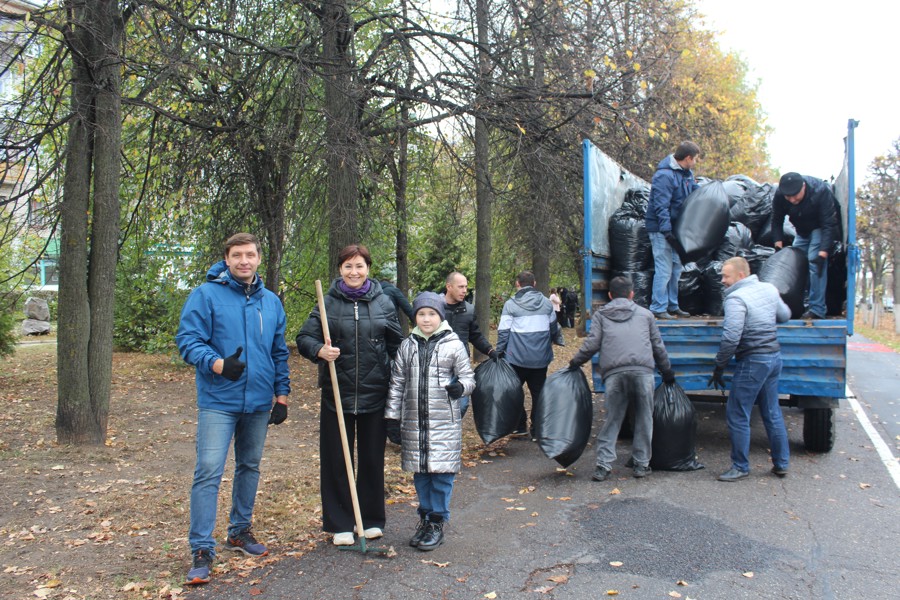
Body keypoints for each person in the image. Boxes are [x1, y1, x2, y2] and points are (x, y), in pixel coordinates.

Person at [176, 233, 291, 586]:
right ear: (226, 259)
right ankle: (201, 549)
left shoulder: (271, 302)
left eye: (250, 255)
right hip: (219, 402)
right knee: (209, 471)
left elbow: (278, 351)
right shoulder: (206, 295)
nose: (244, 261)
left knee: (249, 466)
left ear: (259, 258)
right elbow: (187, 340)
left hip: (258, 402)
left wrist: (282, 395)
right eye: (237, 255)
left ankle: (239, 531)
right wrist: (216, 364)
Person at [296, 244, 403, 545]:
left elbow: (397, 347)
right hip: (337, 394)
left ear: (368, 268)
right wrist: (319, 349)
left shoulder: (384, 303)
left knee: (371, 458)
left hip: (375, 393)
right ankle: (341, 522)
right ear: (340, 270)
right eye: (348, 267)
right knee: (337, 459)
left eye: (359, 266)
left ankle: (368, 519)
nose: (354, 272)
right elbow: (304, 337)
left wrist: (398, 381)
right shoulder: (327, 302)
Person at [385, 292, 476, 551]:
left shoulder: (454, 344)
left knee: (442, 475)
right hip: (414, 423)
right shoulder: (407, 345)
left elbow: (469, 378)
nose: (426, 319)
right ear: (415, 317)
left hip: (443, 424)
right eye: (421, 314)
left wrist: (461, 387)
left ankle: (437, 521)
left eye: (431, 314)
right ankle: (425, 519)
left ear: (440, 316)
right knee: (421, 473)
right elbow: (397, 384)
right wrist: (392, 417)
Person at [568, 275, 675, 481]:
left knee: (612, 419)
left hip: (614, 374)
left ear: (609, 295)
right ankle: (641, 464)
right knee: (645, 418)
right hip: (642, 372)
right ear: (632, 294)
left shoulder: (601, 316)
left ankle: (603, 465)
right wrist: (667, 371)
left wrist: (575, 362)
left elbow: (592, 344)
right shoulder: (646, 315)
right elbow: (657, 345)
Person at [708, 257, 791, 482]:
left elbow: (731, 336)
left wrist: (720, 365)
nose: (723, 280)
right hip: (774, 357)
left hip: (753, 360)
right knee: (772, 411)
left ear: (741, 276)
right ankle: (781, 463)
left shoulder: (736, 298)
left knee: (737, 413)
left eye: (726, 276)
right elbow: (784, 316)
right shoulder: (769, 289)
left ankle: (740, 466)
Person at [496, 271, 560, 437]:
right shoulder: (547, 304)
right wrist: (557, 340)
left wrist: (499, 352)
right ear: (534, 283)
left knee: (515, 391)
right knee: (538, 392)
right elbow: (554, 327)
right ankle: (538, 429)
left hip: (517, 357)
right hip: (540, 358)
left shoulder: (511, 305)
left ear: (518, 284)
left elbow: (504, 332)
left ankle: (520, 426)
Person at [771, 172, 840, 319]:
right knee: (797, 263)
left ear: (803, 186)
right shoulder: (780, 195)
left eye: (795, 195)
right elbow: (776, 220)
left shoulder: (820, 191)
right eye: (788, 197)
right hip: (801, 230)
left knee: (815, 262)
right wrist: (778, 244)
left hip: (820, 226)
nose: (792, 200)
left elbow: (829, 224)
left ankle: (817, 309)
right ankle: (798, 304)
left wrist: (823, 252)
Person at [646, 141, 701, 320]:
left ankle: (672, 305)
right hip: (661, 229)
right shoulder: (665, 176)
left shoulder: (686, 174)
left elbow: (694, 192)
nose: (696, 162)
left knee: (677, 268)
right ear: (688, 158)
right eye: (696, 159)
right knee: (664, 269)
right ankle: (658, 307)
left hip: (677, 229)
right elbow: (660, 206)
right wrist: (666, 230)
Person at [443, 271, 497, 417]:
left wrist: (490, 351)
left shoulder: (469, 310)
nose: (464, 290)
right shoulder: (435, 308)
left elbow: (475, 335)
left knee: (462, 405)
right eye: (460, 287)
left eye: (466, 287)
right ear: (449, 286)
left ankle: (451, 431)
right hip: (439, 366)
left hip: (461, 366)